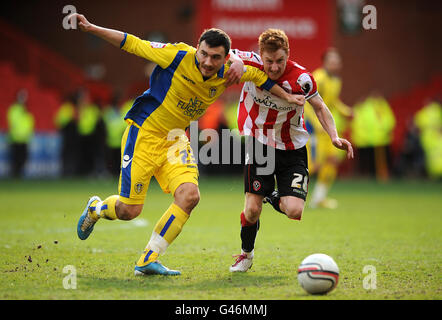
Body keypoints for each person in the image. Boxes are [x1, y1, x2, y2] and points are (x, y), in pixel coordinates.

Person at [68, 13, 305, 276]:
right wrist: (91, 27)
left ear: (225, 58)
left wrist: (289, 97)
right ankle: (96, 208)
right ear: (198, 49)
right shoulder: (178, 55)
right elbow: (132, 43)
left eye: (216, 57)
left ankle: (148, 260)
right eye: (203, 54)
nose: (207, 61)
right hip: (144, 133)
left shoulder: (230, 72)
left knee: (190, 196)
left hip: (175, 138)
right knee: (129, 210)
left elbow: (264, 80)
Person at [228, 29, 353, 272]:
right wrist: (233, 63)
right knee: (252, 210)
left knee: (294, 211)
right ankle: (246, 254)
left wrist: (335, 136)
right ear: (260, 55)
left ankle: (268, 193)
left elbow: (320, 107)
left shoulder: (303, 79)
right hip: (259, 143)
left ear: (288, 55)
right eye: (269, 61)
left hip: (293, 148)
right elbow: (226, 54)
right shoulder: (250, 61)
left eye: (279, 61)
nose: (273, 67)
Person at [303, 48, 353, 209]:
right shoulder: (318, 78)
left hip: (328, 131)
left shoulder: (336, 81)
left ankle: (318, 199)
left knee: (331, 162)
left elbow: (332, 102)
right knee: (312, 165)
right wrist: (317, 123)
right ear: (325, 62)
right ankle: (281, 190)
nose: (335, 64)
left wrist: (346, 111)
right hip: (314, 129)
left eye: (337, 61)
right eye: (332, 61)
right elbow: (307, 102)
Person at [7, 89, 34, 177]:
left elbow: (29, 123)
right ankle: (15, 175)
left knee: (23, 159)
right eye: (21, 96)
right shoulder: (14, 109)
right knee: (16, 160)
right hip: (16, 139)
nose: (23, 99)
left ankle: (18, 175)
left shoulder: (26, 110)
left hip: (25, 139)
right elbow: (13, 122)